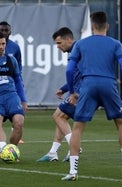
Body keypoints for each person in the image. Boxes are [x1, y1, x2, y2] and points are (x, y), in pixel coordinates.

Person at [62, 11, 122, 181]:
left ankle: (73, 172)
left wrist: (73, 92)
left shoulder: (81, 44)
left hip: (88, 85)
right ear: (107, 26)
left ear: (91, 26)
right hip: (108, 84)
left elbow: (69, 69)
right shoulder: (115, 43)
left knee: (77, 127)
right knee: (121, 123)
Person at [37, 27, 82, 162]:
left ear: (68, 39)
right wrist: (63, 89)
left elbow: (76, 75)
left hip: (80, 93)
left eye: (59, 43)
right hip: (79, 90)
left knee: (57, 116)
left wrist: (73, 93)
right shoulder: (76, 50)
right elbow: (77, 75)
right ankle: (53, 153)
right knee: (61, 118)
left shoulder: (76, 50)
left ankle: (75, 146)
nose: (57, 47)